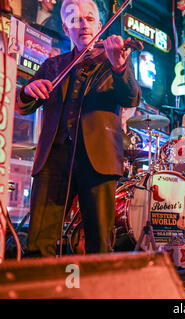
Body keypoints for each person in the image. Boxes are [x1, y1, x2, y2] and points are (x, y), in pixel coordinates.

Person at [16, 0, 141, 257]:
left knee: (99, 243)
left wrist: (119, 66)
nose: (83, 24)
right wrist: (28, 91)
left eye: (89, 18)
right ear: (65, 27)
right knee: (39, 240)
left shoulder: (113, 61)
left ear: (99, 22)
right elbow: (23, 106)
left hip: (99, 160)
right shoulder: (53, 66)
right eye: (75, 20)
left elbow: (131, 98)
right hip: (53, 159)